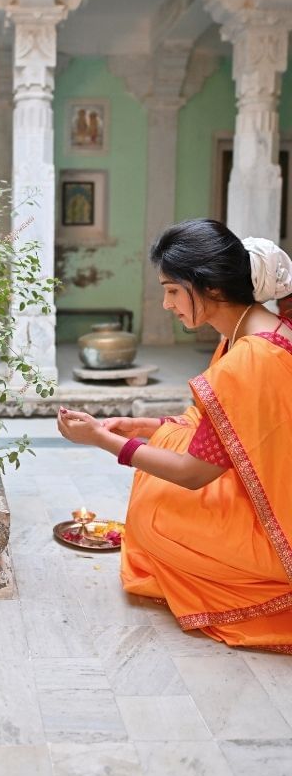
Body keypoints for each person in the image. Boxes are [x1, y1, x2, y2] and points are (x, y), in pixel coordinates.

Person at [57, 219, 292, 651]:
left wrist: (105, 441)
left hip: (278, 534)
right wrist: (146, 428)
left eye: (171, 290)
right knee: (163, 454)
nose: (166, 304)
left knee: (154, 519)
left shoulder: (251, 357)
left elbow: (195, 473)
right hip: (273, 495)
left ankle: (257, 586)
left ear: (211, 288)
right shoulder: (252, 334)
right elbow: (222, 433)